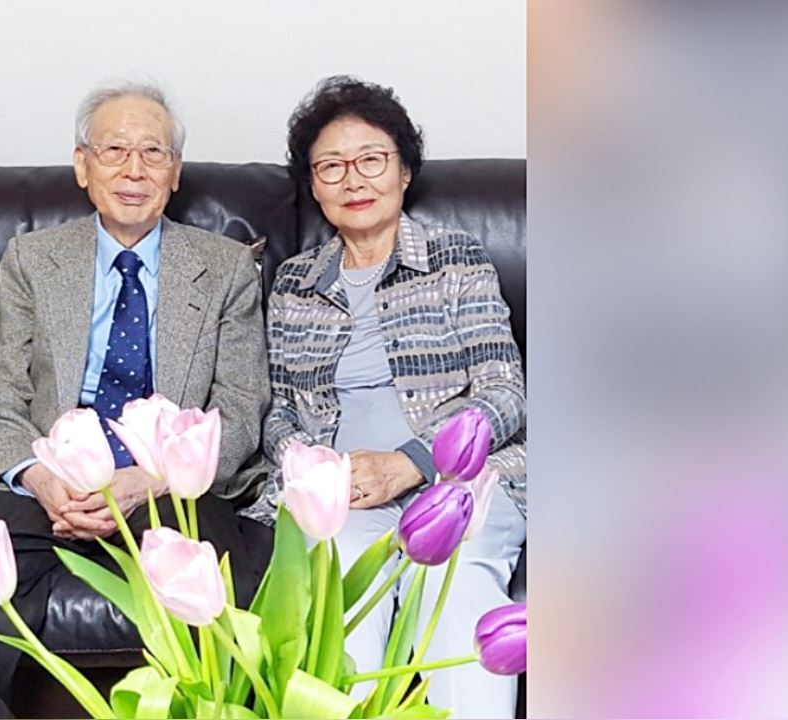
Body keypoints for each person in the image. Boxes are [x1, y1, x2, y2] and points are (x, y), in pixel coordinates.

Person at [239, 76, 527, 718]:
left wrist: (413, 462)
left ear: (404, 171)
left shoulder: (456, 258)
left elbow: (506, 391)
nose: (353, 180)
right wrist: (321, 473)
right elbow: (277, 409)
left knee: (451, 580)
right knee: (336, 587)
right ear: (314, 186)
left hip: (458, 481)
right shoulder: (294, 282)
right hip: (342, 495)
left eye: (371, 159)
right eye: (331, 166)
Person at [0, 81, 271, 718]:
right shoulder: (31, 260)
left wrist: (150, 479)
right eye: (114, 150)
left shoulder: (225, 268)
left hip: (165, 488)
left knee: (223, 590)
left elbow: (240, 408)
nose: (133, 170)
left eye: (152, 153)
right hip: (47, 486)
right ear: (82, 165)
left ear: (175, 172)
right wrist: (41, 478)